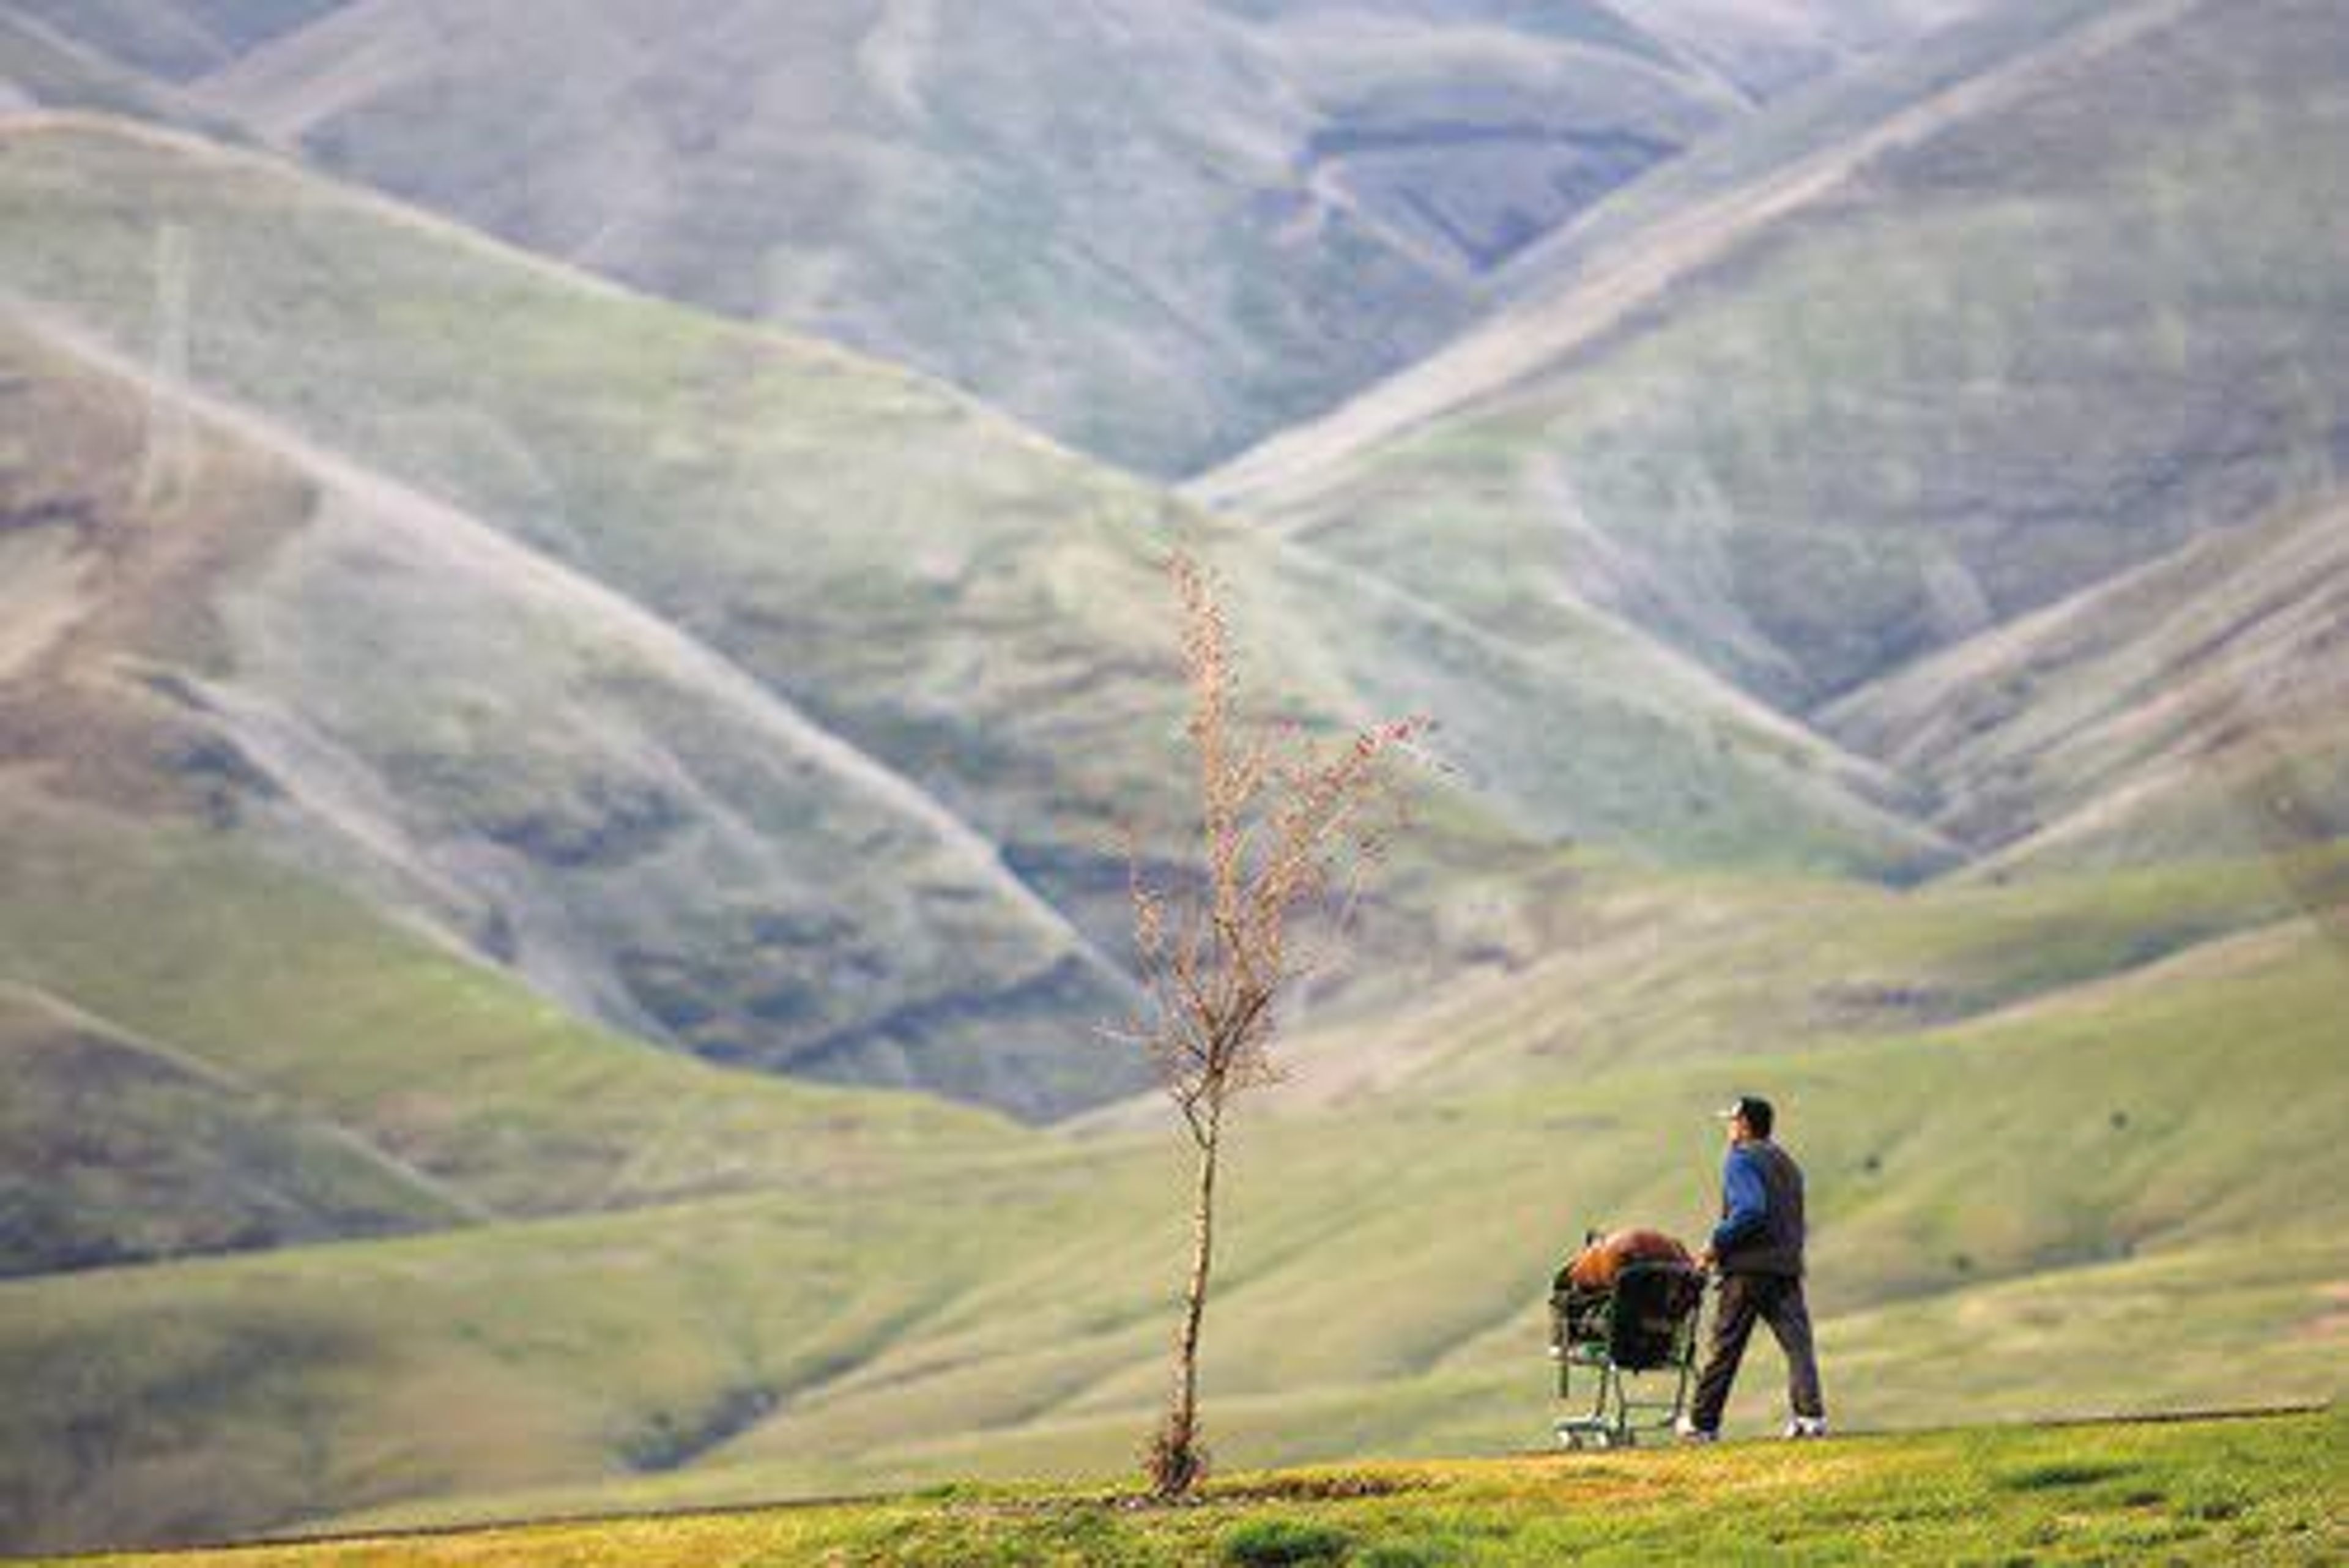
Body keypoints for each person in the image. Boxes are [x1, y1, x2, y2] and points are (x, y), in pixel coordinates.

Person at [1679, 1094, 1828, 1441]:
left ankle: (1702, 1424)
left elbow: (1750, 1209)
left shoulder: (1740, 1160)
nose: (1729, 1127)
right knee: (1798, 1346)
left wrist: (1715, 1244)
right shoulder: (1787, 1163)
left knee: (1725, 1348)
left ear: (1744, 1125)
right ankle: (1810, 1419)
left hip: (1747, 1270)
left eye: (1732, 1121)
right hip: (1785, 1268)